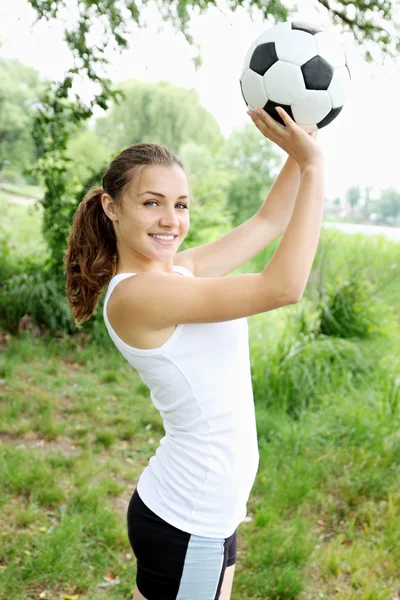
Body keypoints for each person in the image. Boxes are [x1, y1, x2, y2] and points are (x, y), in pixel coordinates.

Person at [64, 106, 324, 600]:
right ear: (111, 207)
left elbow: (269, 220)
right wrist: (314, 167)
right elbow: (284, 286)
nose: (170, 219)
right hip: (190, 518)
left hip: (199, 509)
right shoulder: (140, 296)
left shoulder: (176, 272)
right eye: (151, 203)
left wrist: (299, 141)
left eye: (181, 205)